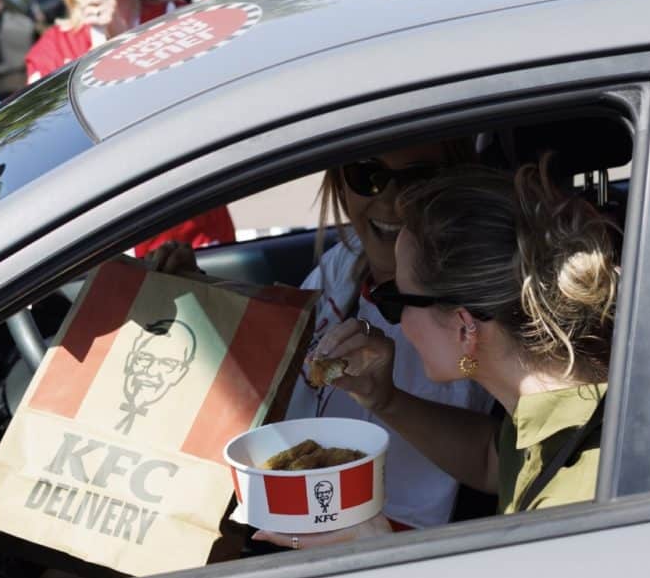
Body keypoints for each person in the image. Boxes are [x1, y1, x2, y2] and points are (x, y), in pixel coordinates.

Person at [259, 161, 618, 548]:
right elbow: (491, 461)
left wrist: (378, 546)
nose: (390, 317)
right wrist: (386, 399)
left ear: (465, 327)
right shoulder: (550, 406)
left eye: (397, 299)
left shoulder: (575, 498)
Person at [155, 140, 493, 529]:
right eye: (367, 176)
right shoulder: (344, 264)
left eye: (416, 180)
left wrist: (387, 400)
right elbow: (285, 340)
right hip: (288, 506)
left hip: (388, 535)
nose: (391, 200)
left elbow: (493, 455)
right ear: (340, 183)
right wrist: (197, 290)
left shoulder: (468, 308)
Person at [25, 0, 233, 253]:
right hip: (106, 240)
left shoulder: (179, 20)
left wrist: (118, 40)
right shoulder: (50, 51)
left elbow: (203, 112)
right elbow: (47, 154)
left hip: (190, 228)